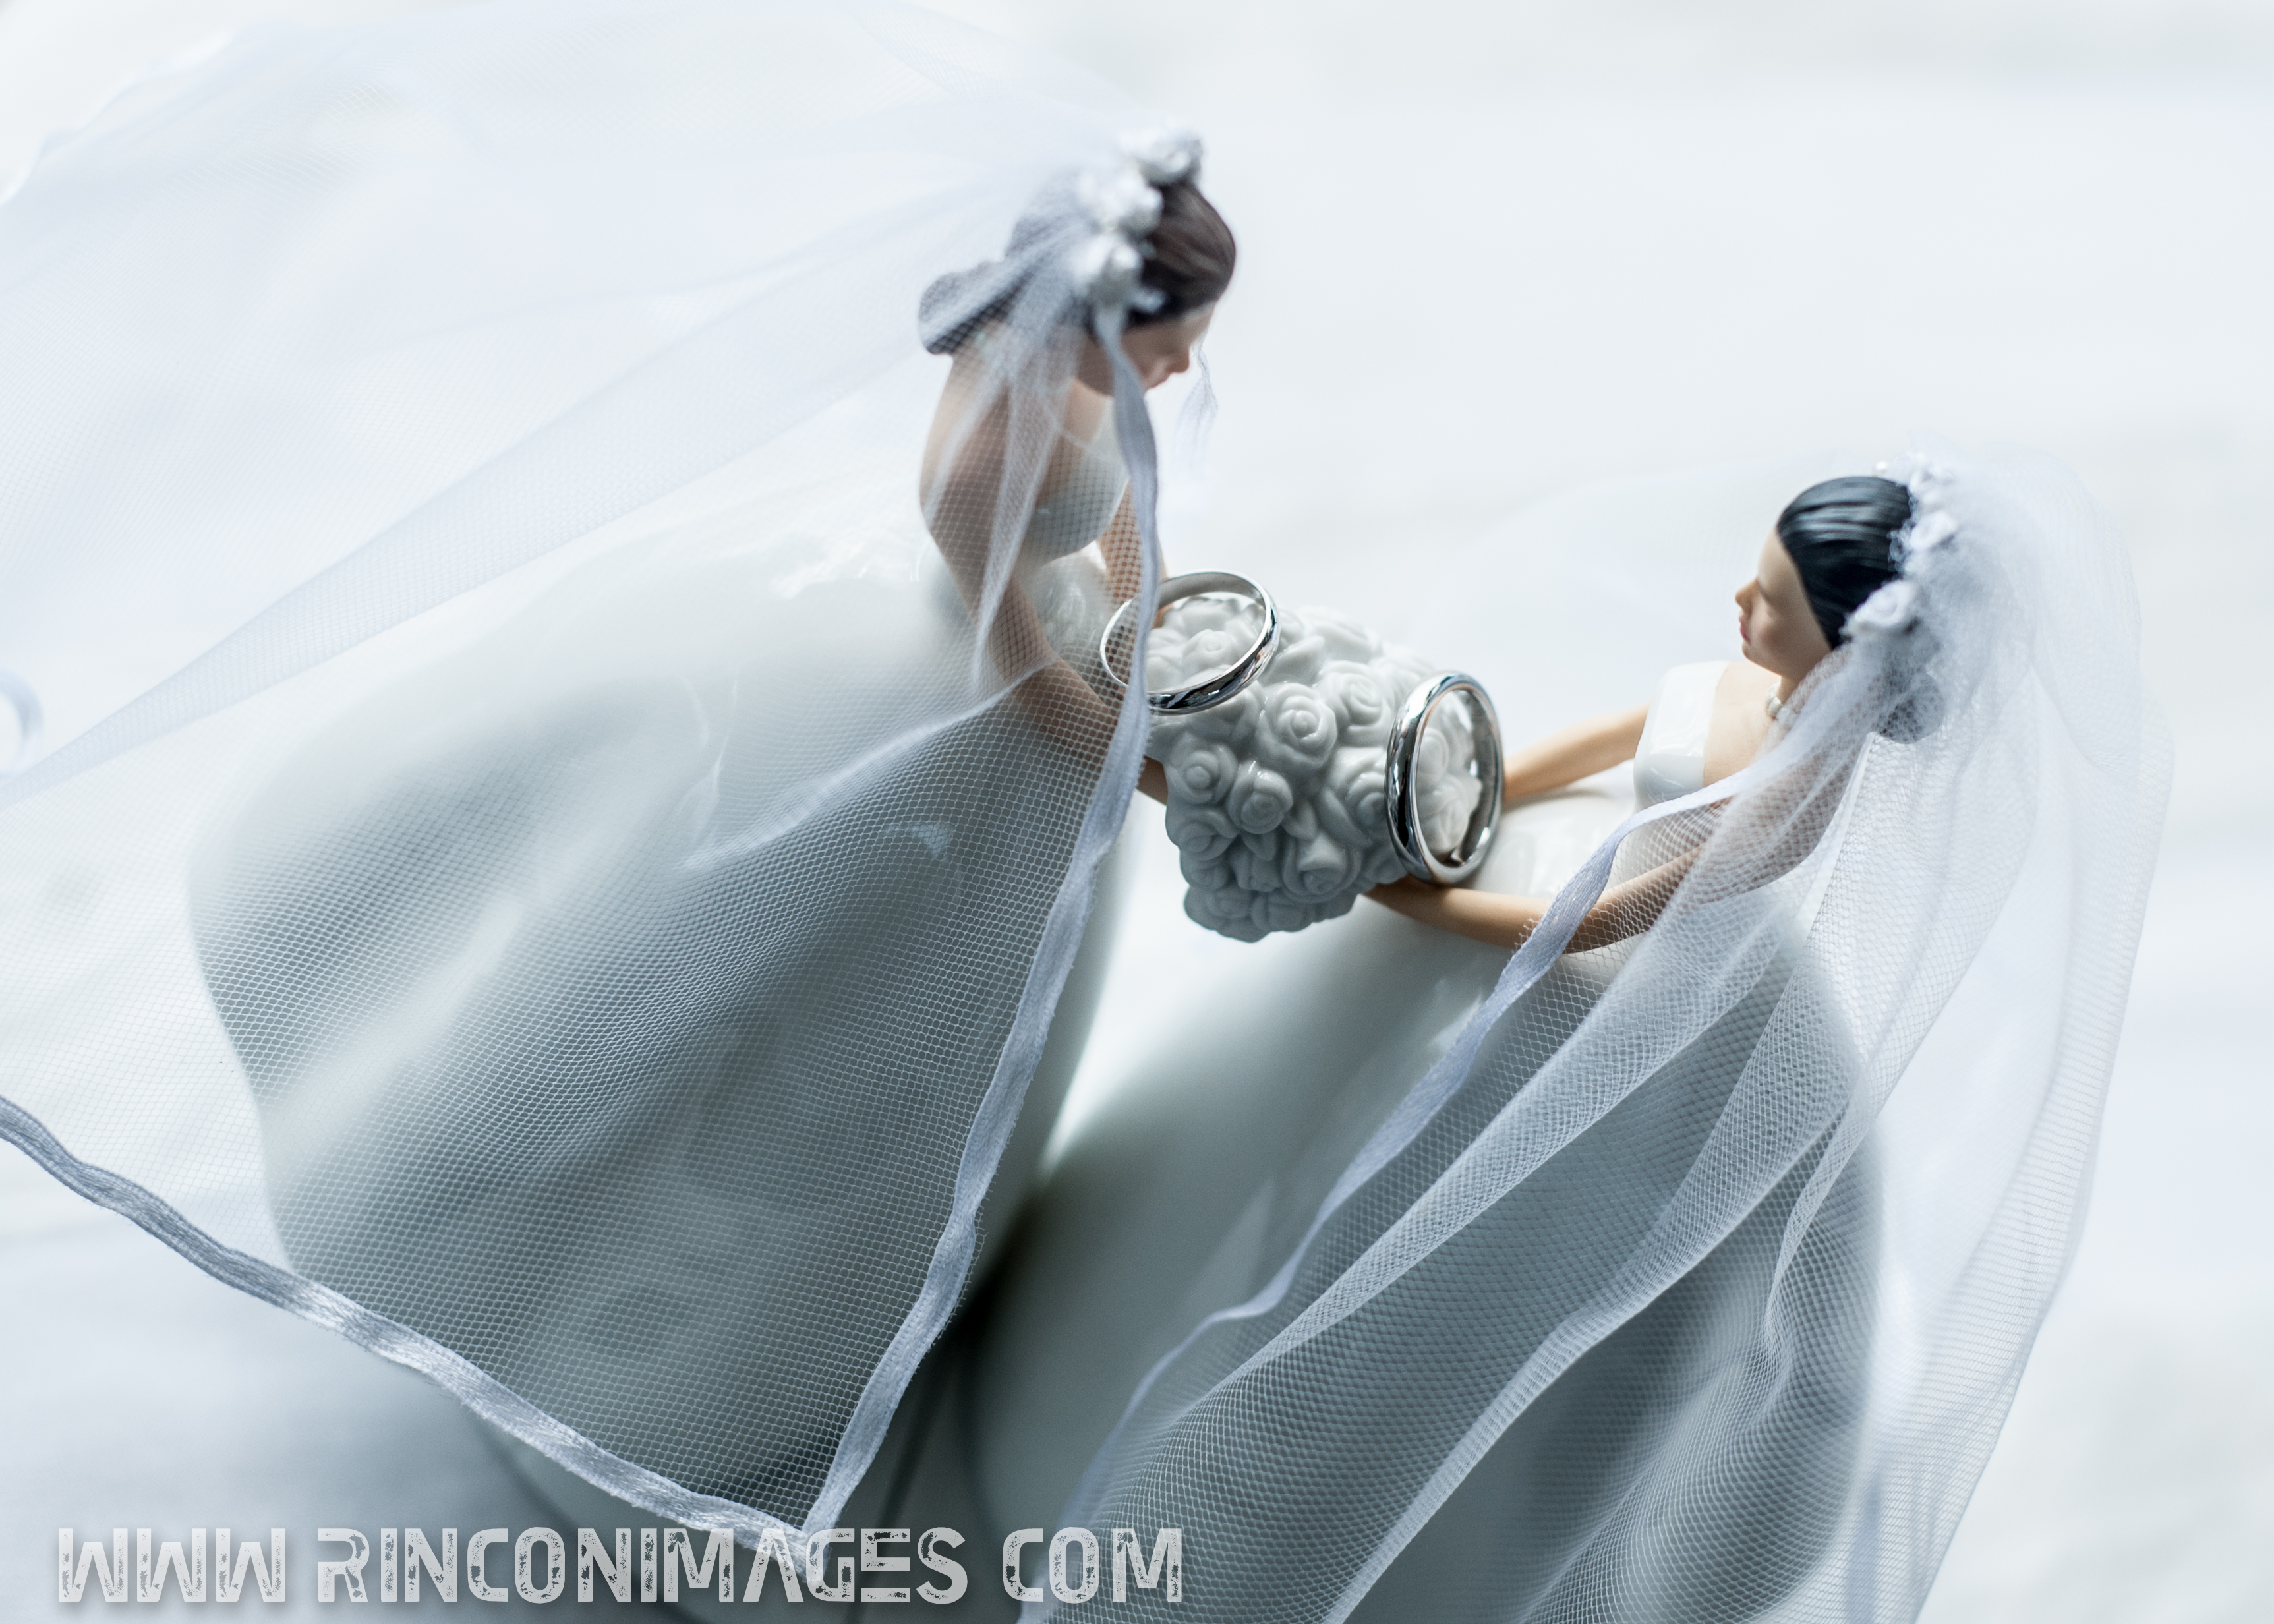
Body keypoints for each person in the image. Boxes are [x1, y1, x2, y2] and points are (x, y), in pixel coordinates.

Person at [0, 0, 1229, 1549]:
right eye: (1172, 344)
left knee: (885, 1051)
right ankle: (522, 1262)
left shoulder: (1085, 395)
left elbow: (1113, 528)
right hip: (931, 706)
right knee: (710, 977)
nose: (1184, 369)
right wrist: (1079, 710)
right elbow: (983, 572)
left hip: (1016, 726)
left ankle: (763, 1328)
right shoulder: (998, 421)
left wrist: (1135, 630)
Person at [873, 458, 2162, 1622]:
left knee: (1478, 1262)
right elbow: (1586, 750)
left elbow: (1611, 919)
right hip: (1525, 901)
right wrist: (1444, 797)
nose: (1738, 602)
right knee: (1301, 1127)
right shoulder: (1729, 691)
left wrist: (1432, 901)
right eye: (1755, 572)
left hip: (1622, 1012)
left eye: (1772, 598)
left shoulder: (1788, 799)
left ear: (1841, 652)